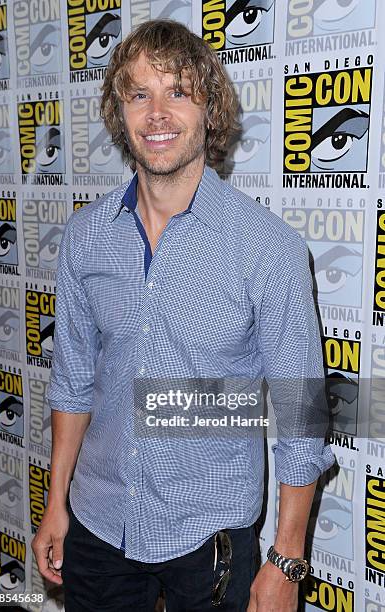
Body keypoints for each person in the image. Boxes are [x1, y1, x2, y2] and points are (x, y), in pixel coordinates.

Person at [31, 19, 335, 612]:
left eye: (178, 91)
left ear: (210, 108)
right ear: (120, 114)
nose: (158, 113)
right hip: (99, 522)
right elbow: (72, 384)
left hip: (210, 539)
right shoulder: (87, 238)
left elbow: (301, 411)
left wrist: (286, 559)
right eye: (139, 94)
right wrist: (55, 503)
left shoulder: (265, 246)